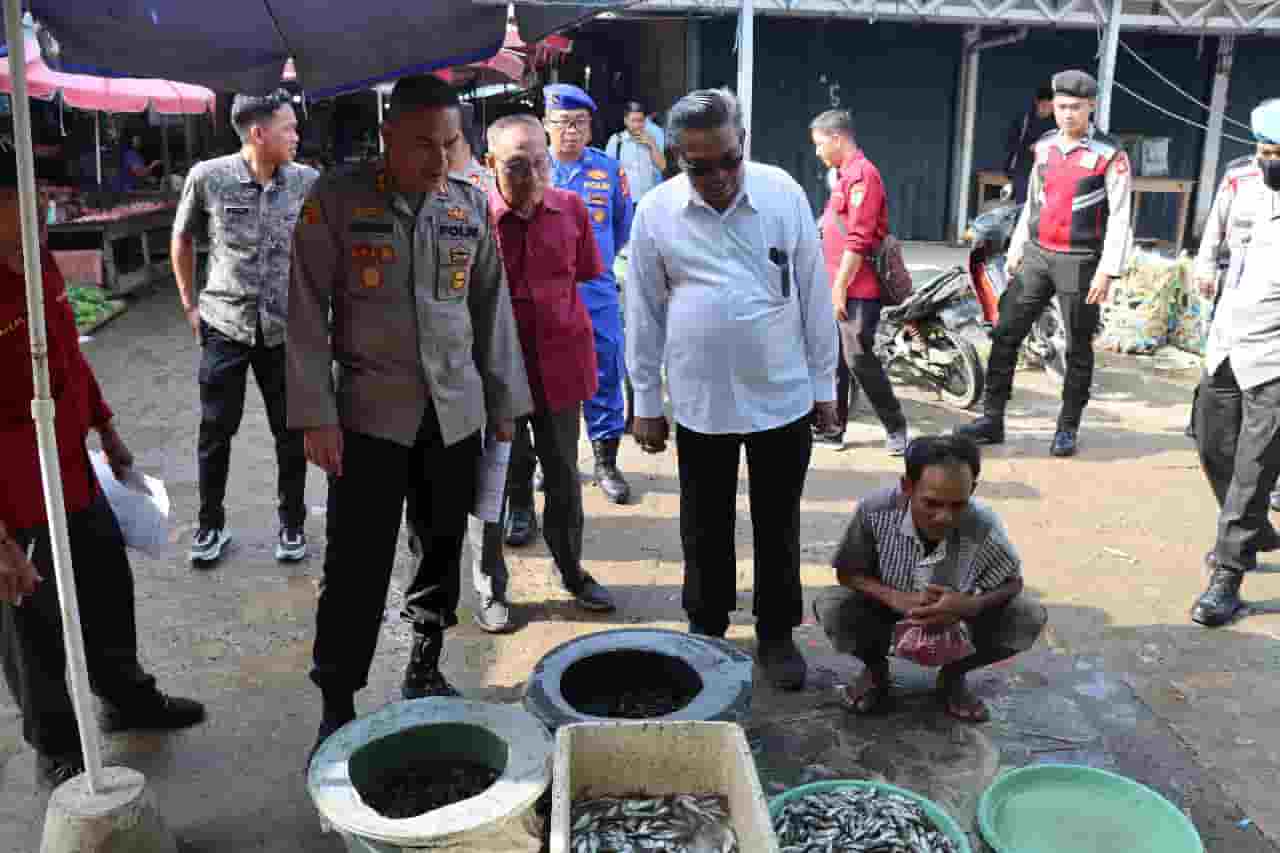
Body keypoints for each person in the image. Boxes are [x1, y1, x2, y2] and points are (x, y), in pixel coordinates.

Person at [287, 76, 531, 758]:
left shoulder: (466, 205)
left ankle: (424, 666)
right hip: (368, 414)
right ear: (388, 135)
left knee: (440, 548)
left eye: (449, 143)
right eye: (422, 143)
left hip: (452, 415)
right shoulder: (336, 199)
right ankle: (337, 702)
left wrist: (504, 403)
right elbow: (304, 308)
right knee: (356, 563)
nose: (438, 158)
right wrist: (315, 413)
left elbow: (491, 306)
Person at [0, 152, 204, 789]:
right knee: (31, 629)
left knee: (106, 585)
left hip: (72, 470)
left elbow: (68, 357)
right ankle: (54, 742)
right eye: (18, 205)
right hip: (13, 496)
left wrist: (107, 428)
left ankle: (127, 696)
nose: (36, 216)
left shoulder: (43, 265)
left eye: (36, 203)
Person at [627, 88, 839, 690]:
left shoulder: (782, 194)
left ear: (742, 145)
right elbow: (642, 310)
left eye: (727, 159)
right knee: (704, 521)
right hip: (701, 399)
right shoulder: (657, 211)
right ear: (675, 157)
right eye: (699, 165)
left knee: (778, 521)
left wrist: (824, 384)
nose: (717, 176)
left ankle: (776, 633)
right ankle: (708, 631)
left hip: (782, 394)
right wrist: (646, 402)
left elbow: (814, 292)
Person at [462, 114, 617, 633]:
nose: (531, 171)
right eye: (516, 162)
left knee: (565, 481)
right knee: (494, 481)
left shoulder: (571, 208)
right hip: (496, 376)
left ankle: (571, 572)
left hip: (560, 369)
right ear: (490, 165)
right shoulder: (475, 216)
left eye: (539, 159)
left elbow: (589, 275)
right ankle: (490, 585)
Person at [172, 90, 318, 567]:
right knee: (216, 429)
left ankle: (292, 524)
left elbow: (325, 245)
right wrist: (191, 305)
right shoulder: (208, 178)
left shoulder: (306, 182)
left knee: (290, 431)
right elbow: (183, 238)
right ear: (259, 133)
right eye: (288, 128)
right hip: (224, 324)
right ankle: (211, 524)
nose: (296, 136)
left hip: (284, 328)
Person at [956, 70, 1133, 458]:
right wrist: (1018, 246)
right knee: (1005, 334)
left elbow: (1121, 217)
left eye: (1076, 107)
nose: (1067, 114)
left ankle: (1067, 427)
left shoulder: (1111, 155)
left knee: (1077, 347)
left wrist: (1107, 270)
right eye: (1061, 106)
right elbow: (1033, 201)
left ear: (1091, 107)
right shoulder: (1044, 146)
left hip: (1081, 260)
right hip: (1037, 254)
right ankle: (992, 418)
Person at [814, 435, 1046, 721]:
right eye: (931, 503)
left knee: (1026, 615)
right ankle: (875, 671)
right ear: (907, 487)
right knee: (834, 607)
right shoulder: (874, 512)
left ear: (972, 489)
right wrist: (896, 598)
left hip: (958, 620)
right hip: (886, 614)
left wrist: (971, 606)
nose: (944, 517)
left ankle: (953, 676)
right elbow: (847, 572)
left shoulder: (984, 524)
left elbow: (1013, 582)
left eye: (958, 505)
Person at [1188, 99, 1280, 628]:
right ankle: (1255, 528)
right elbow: (1213, 236)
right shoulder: (1240, 179)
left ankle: (1228, 574)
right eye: (1264, 150)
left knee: (1254, 468)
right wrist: (1204, 268)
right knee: (1212, 443)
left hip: (1275, 354)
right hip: (1226, 338)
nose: (1270, 161)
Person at [534, 83, 634, 515]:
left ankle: (606, 462)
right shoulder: (533, 169)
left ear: (591, 127)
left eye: (579, 123)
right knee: (545, 373)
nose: (570, 131)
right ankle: (549, 460)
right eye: (561, 123)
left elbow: (623, 226)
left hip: (596, 290)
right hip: (545, 291)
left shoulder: (610, 171)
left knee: (605, 366)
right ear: (545, 126)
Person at [810, 109, 910, 455]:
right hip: (833, 284)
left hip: (858, 289)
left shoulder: (863, 176)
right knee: (833, 360)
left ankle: (896, 426)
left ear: (838, 139)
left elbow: (859, 239)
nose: (818, 152)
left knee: (858, 358)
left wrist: (838, 288)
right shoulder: (842, 175)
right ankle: (833, 428)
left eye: (821, 144)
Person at [606, 101, 667, 204]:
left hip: (649, 201)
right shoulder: (616, 141)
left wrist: (652, 145)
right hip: (626, 201)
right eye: (633, 121)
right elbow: (607, 172)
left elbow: (662, 166)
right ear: (626, 121)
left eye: (640, 121)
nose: (637, 125)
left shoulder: (652, 138)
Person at [1005, 86, 1057, 205]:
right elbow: (1010, 145)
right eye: (1043, 106)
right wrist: (1029, 147)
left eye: (1050, 107)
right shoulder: (1024, 119)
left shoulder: (1056, 123)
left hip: (1046, 171)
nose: (1046, 110)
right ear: (1036, 102)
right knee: (1022, 206)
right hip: (1022, 169)